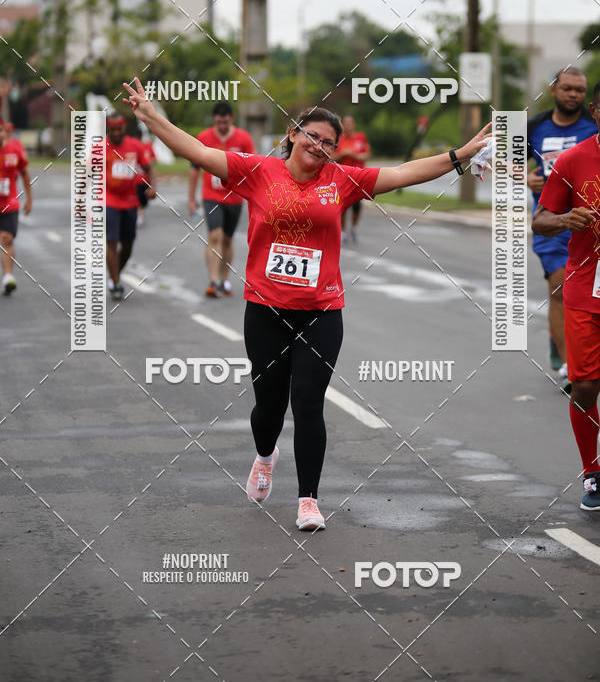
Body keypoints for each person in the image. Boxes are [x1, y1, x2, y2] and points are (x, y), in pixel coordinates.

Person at [123, 77, 492, 530]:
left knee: (310, 402)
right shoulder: (256, 171)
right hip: (265, 309)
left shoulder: (343, 181)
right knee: (268, 408)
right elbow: (195, 152)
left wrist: (460, 156)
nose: (320, 146)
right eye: (313, 136)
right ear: (293, 133)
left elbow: (403, 172)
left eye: (329, 143)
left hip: (321, 312)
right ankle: (264, 455)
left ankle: (309, 500)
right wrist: (151, 116)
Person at [532, 80, 600, 511]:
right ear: (597, 111)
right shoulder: (575, 159)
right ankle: (592, 472)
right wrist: (565, 220)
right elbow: (540, 220)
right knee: (588, 384)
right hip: (586, 285)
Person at [527, 67, 596, 387]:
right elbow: (499, 159)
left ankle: (576, 347)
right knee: (558, 285)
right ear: (554, 89)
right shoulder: (535, 126)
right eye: (567, 88)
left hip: (592, 223)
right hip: (552, 218)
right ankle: (570, 363)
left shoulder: (592, 123)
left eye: (579, 90)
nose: (573, 95)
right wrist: (523, 176)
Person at [188, 101, 254, 298]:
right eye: (218, 122)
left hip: (234, 198)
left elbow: (253, 168)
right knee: (214, 236)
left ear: (231, 119)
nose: (222, 126)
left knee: (226, 239)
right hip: (211, 196)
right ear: (214, 120)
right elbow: (193, 171)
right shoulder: (204, 137)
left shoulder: (243, 138)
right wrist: (191, 198)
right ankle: (214, 280)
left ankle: (224, 279)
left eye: (225, 122)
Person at [104, 114, 156, 300]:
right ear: (108, 129)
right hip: (109, 201)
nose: (116, 133)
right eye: (112, 130)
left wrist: (153, 187)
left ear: (124, 127)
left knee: (127, 245)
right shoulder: (100, 148)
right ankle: (116, 282)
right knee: (112, 241)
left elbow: (149, 168)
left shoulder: (135, 146)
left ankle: (114, 272)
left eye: (119, 129)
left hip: (130, 201)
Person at [0, 118, 32, 295]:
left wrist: (29, 198)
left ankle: (7, 276)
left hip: (9, 203)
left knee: (6, 239)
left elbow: (25, 172)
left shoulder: (14, 149)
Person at [334, 115, 371, 243]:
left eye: (350, 123)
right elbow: (331, 157)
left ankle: (354, 228)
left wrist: (354, 155)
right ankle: (342, 231)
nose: (348, 126)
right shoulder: (338, 139)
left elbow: (366, 154)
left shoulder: (360, 137)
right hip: (342, 177)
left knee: (357, 206)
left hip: (358, 177)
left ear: (354, 124)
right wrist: (344, 154)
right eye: (345, 123)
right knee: (343, 205)